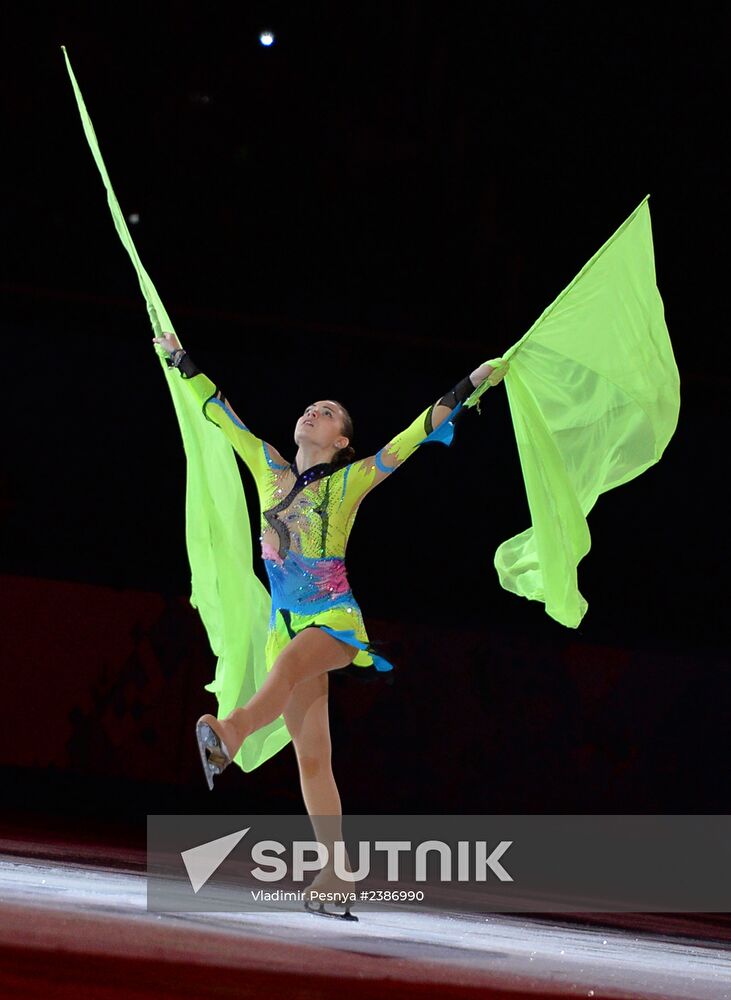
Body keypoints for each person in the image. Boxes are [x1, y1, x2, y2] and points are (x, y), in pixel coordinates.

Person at [153, 330, 505, 915]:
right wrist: (180, 358)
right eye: (311, 407)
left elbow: (415, 434)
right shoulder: (267, 466)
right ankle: (336, 873)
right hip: (283, 621)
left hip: (333, 619)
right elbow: (221, 412)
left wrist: (470, 384)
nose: (313, 412)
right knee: (312, 757)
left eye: (328, 413)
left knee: (290, 668)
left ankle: (233, 733)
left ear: (341, 440)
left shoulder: (351, 480)